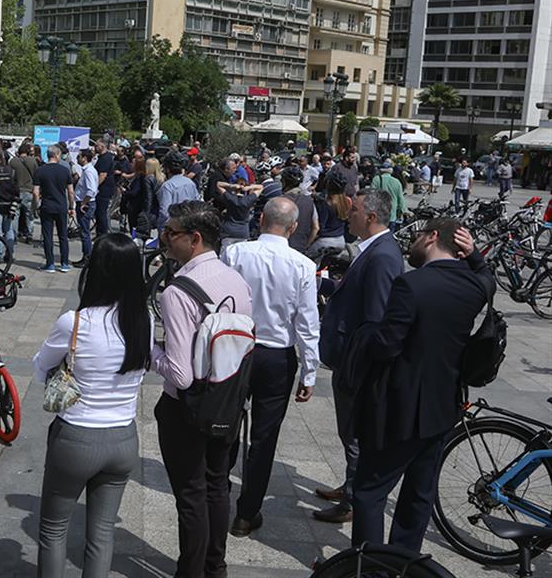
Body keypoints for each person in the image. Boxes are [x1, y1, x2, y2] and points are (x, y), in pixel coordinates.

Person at [349, 219, 493, 552]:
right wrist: (475, 255)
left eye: (417, 235)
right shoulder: (474, 286)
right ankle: (403, 561)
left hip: (400, 407)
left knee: (370, 491)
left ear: (432, 237)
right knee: (419, 493)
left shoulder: (411, 284)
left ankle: (370, 568)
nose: (411, 242)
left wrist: (366, 332)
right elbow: (489, 280)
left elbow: (386, 345)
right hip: (444, 406)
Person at [33, 233, 153, 577]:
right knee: (102, 534)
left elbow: (41, 368)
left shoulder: (75, 322)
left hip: (77, 437)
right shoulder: (143, 320)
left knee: (54, 529)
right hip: (124, 438)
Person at [152, 201, 252, 578]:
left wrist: (149, 350)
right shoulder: (237, 280)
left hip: (187, 409)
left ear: (194, 239)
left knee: (191, 496)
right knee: (217, 486)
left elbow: (179, 374)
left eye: (171, 232)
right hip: (228, 398)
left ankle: (191, 572)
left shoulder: (177, 293)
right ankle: (215, 567)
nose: (164, 238)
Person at [221, 198, 320, 537]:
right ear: (293, 228)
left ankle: (219, 494)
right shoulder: (302, 265)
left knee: (226, 424)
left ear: (260, 218)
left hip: (238, 348)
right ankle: (247, 513)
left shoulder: (235, 253)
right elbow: (307, 323)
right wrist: (309, 371)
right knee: (264, 437)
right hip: (277, 356)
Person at [313, 189, 404, 524]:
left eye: (354, 211)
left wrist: (360, 365)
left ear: (371, 217)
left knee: (354, 434)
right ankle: (350, 485)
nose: (347, 215)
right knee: (347, 432)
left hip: (357, 363)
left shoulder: (382, 256)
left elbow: (377, 317)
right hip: (348, 357)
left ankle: (352, 499)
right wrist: (325, 287)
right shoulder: (372, 249)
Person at [32, 145, 75, 273]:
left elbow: (35, 192)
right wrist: (71, 206)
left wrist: (36, 205)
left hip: (47, 206)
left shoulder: (40, 171)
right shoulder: (65, 170)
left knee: (47, 235)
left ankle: (50, 264)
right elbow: (70, 191)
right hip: (61, 206)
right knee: (63, 235)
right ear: (57, 155)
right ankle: (64, 263)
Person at [307, 172, 351, 259]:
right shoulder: (345, 202)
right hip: (340, 240)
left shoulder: (326, 204)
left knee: (307, 257)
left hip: (325, 242)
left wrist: (307, 244)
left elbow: (319, 228)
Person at [213, 177, 262, 251]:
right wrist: (249, 187)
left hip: (229, 231)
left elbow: (218, 184)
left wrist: (231, 186)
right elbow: (261, 187)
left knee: (225, 253)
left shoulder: (230, 198)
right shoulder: (248, 200)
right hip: (242, 232)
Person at [157, 152, 201, 232]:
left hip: (174, 231)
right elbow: (197, 205)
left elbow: (164, 213)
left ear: (167, 169)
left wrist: (162, 230)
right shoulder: (190, 183)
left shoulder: (167, 186)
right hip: (190, 228)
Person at [279, 166, 318, 254]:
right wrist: (306, 245)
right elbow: (316, 228)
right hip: (300, 248)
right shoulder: (309, 201)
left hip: (282, 249)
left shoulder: (279, 201)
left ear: (284, 182)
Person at [72, 149, 99, 268]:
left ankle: (87, 257)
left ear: (84, 158)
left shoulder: (88, 171)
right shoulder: (87, 170)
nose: (77, 158)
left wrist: (84, 203)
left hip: (86, 204)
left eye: (79, 156)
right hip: (85, 202)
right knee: (84, 231)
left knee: (84, 232)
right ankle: (86, 256)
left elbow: (91, 190)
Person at [0, 150, 18, 263]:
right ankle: (10, 253)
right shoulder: (11, 171)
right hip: (9, 204)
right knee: (8, 229)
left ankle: (0, 253)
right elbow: (16, 189)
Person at [370, 162, 407, 230]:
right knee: (390, 233)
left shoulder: (376, 179)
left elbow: (371, 195)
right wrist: (404, 210)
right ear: (391, 170)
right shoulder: (397, 182)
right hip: (392, 214)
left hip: (379, 213)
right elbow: (400, 199)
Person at [93, 141, 116, 236]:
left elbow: (102, 175)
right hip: (103, 189)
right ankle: (99, 234)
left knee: (101, 213)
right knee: (98, 213)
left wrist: (94, 187)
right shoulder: (102, 157)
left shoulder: (105, 158)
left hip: (104, 190)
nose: (95, 147)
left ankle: (103, 235)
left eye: (97, 146)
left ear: (102, 146)